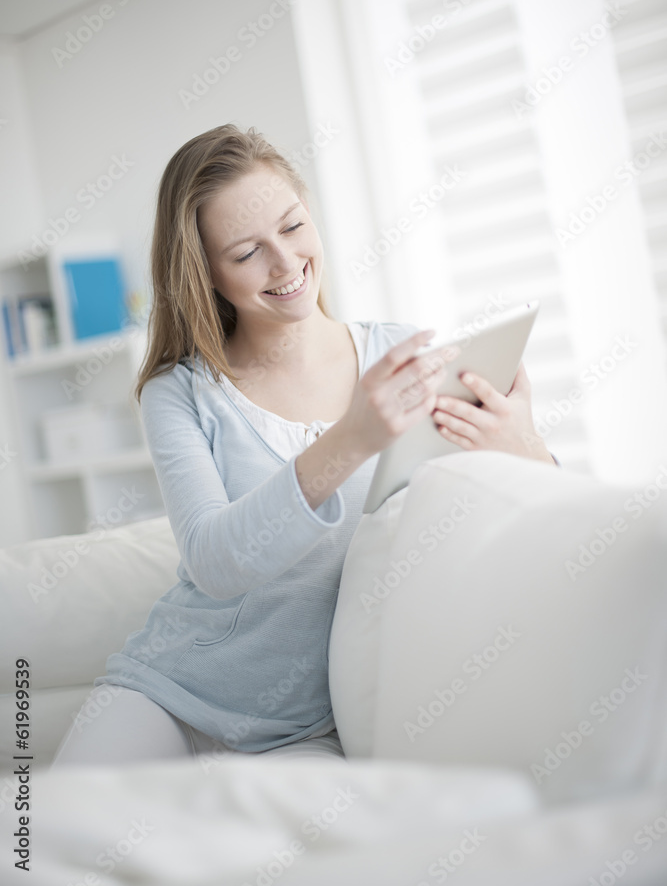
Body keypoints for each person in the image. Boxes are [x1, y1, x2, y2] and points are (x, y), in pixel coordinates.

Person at [51, 123, 556, 768]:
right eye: (246, 252)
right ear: (203, 272)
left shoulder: (405, 360)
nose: (286, 265)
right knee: (46, 841)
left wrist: (524, 446)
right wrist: (352, 438)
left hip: (313, 728)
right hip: (171, 691)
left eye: (292, 228)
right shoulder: (179, 392)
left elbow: (530, 503)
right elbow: (215, 561)